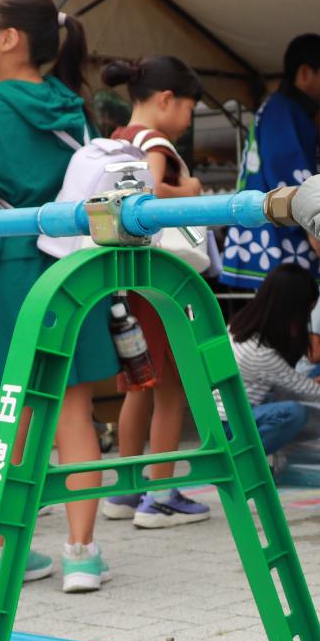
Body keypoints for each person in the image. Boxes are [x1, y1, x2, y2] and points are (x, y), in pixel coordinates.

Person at [0, 0, 118, 593]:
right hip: (73, 268)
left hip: (7, 270)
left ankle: (4, 554)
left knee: (9, 413)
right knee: (76, 409)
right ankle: (83, 554)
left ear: (7, 39)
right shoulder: (72, 108)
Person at [94, 56, 214, 531]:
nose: (188, 121)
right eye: (189, 109)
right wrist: (194, 190)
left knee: (136, 387)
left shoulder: (118, 138)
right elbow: (153, 195)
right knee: (169, 390)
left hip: (125, 278)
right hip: (157, 281)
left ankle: (127, 488)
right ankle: (161, 494)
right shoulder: (155, 142)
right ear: (166, 100)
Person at [220, 33, 320, 287]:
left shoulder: (282, 108)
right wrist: (311, 221)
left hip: (269, 233)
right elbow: (285, 168)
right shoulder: (283, 110)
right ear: (305, 72)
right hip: (276, 236)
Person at [229, 264, 320, 460]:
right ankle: (244, 460)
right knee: (293, 413)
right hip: (230, 425)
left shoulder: (240, 327)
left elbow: (295, 383)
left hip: (234, 413)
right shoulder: (260, 354)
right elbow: (306, 389)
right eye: (307, 310)